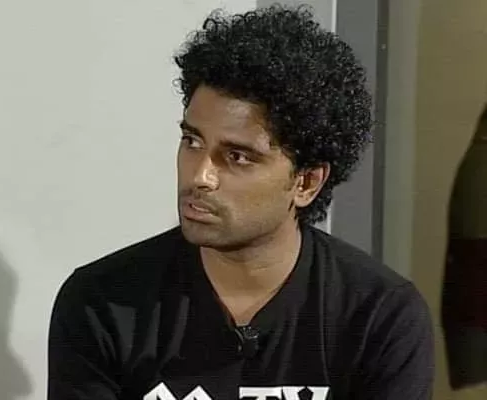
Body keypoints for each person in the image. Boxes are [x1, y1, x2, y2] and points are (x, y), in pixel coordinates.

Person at [47, 5, 434, 400]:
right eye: (192, 141)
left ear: (306, 182)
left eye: (237, 157)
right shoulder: (104, 302)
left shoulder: (378, 315)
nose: (200, 176)